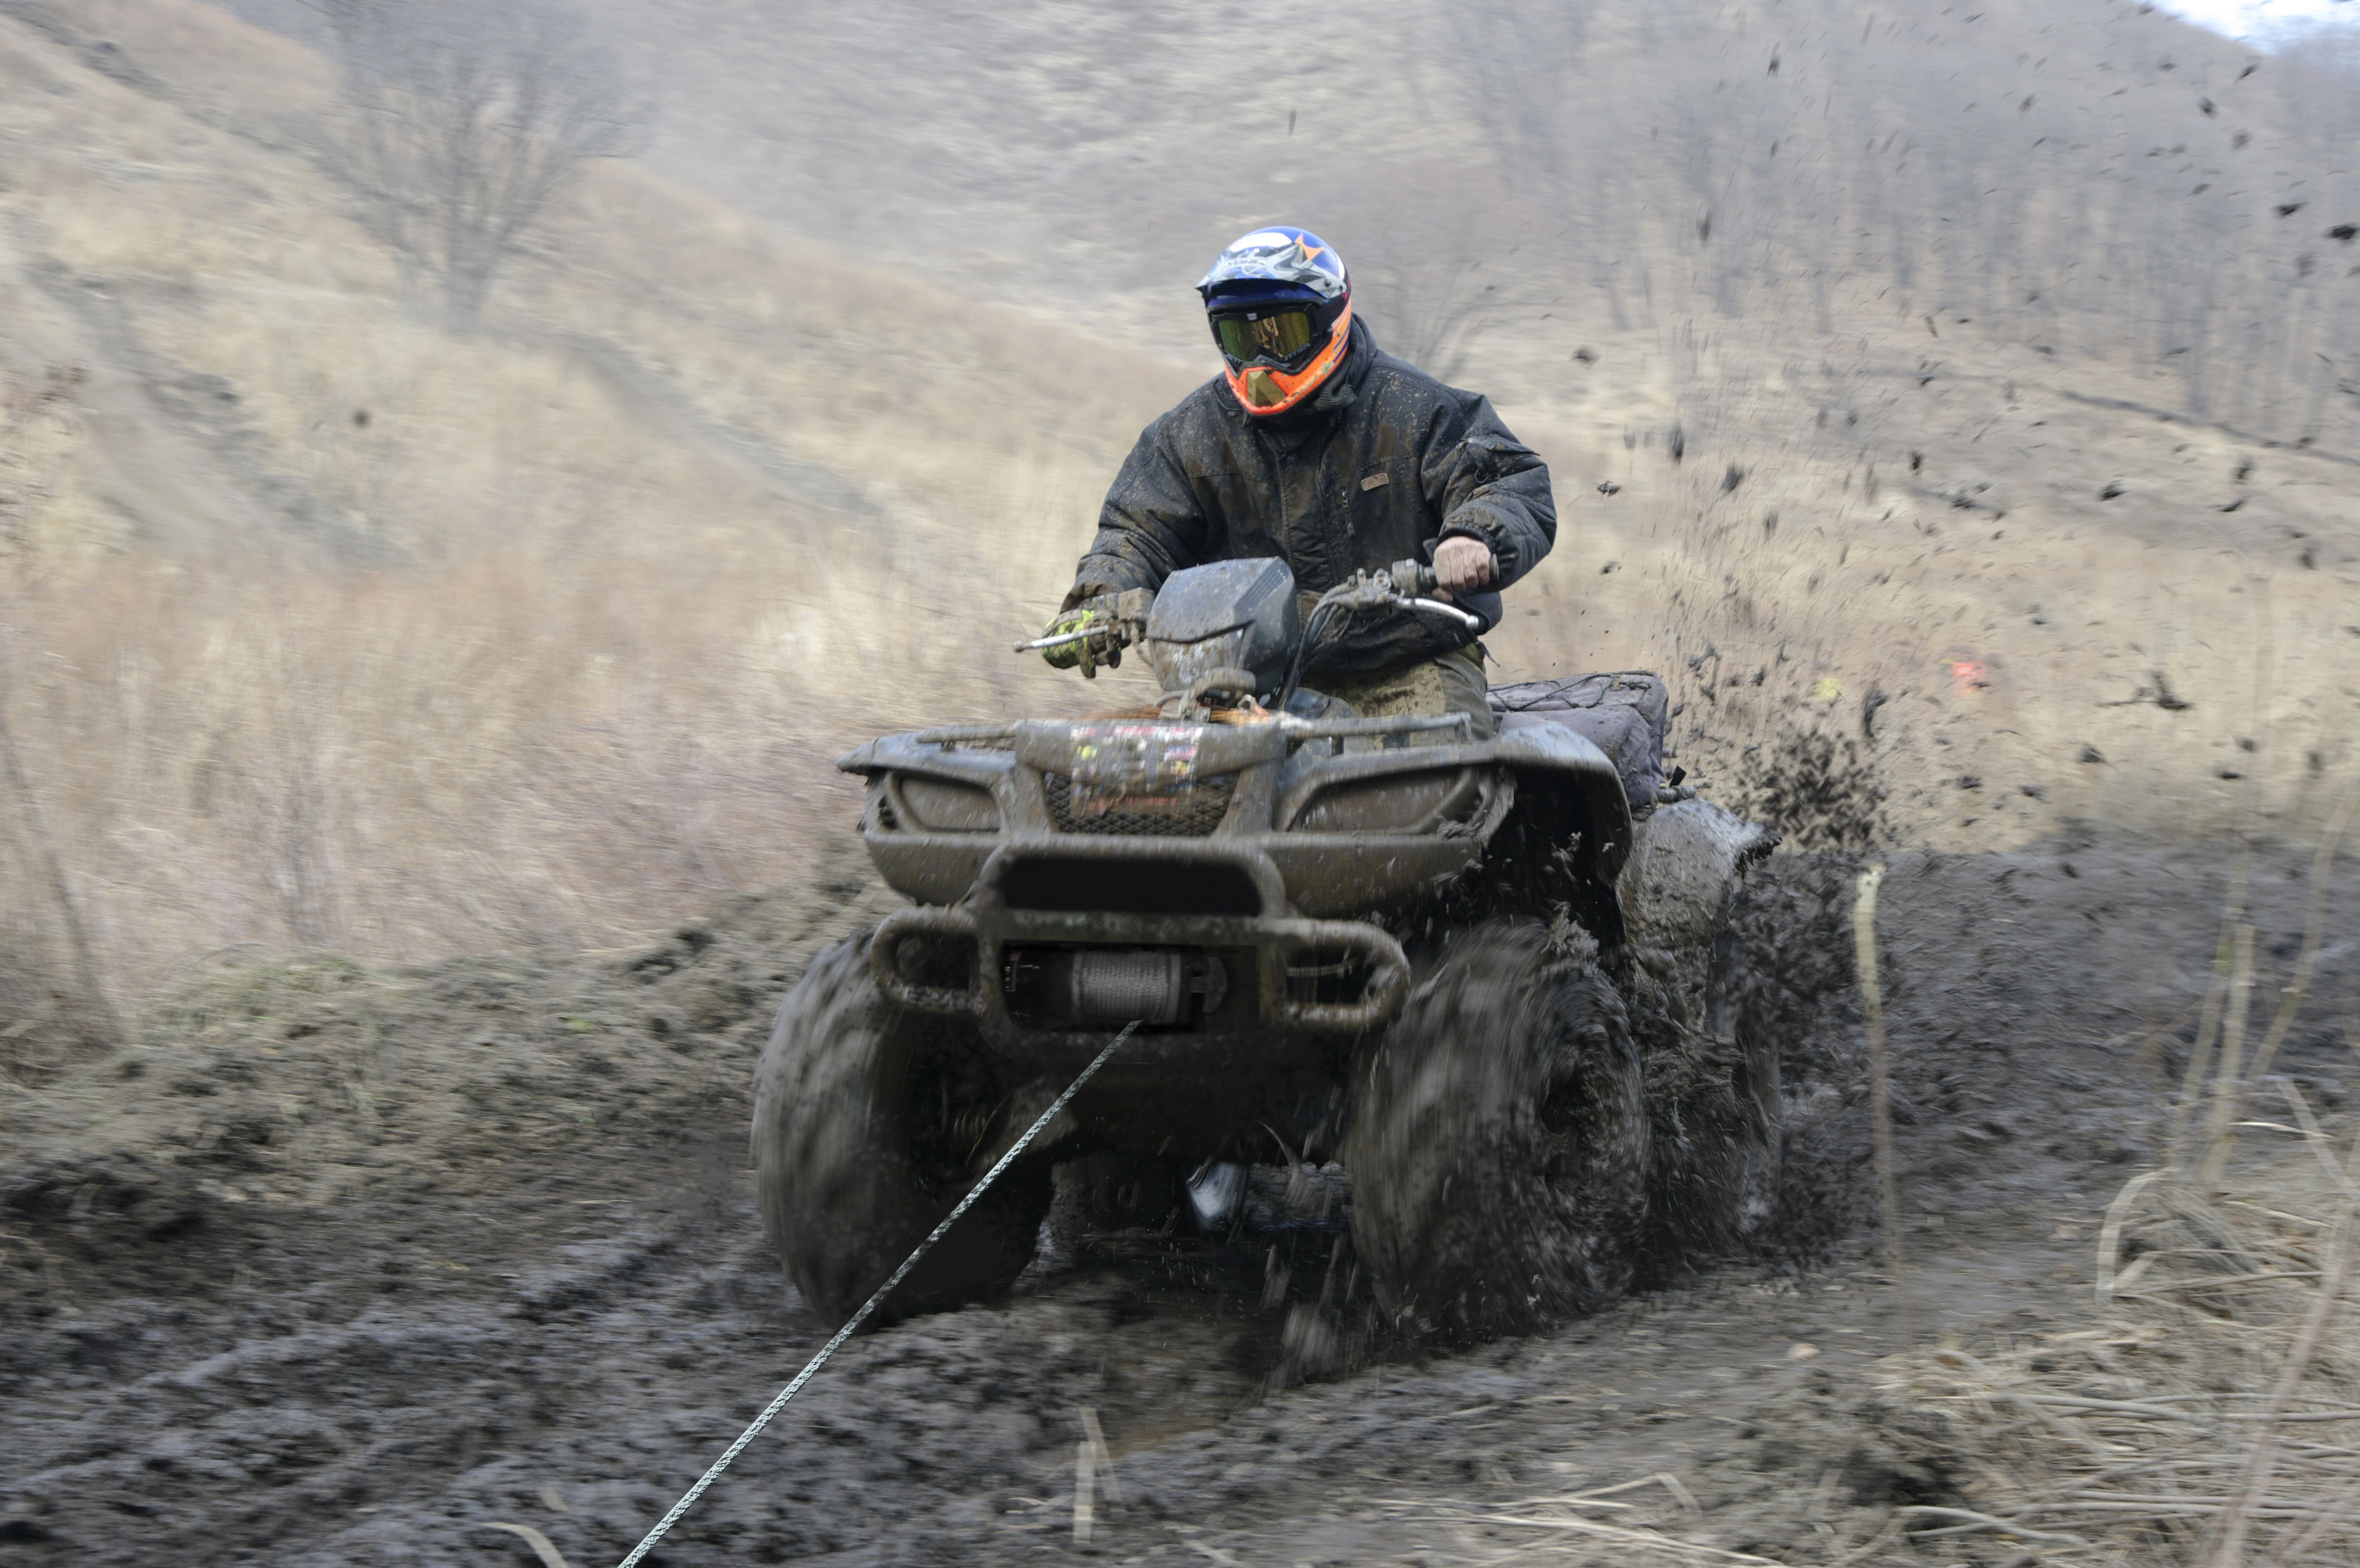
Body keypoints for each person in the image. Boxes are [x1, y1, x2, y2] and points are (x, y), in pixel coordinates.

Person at [1041, 225, 1555, 738]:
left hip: (1410, 659)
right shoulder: (1190, 435)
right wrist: (1099, 600)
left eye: (1278, 336)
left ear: (1328, 321)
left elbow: (1509, 479)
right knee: (1172, 792)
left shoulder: (1414, 407)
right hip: (1250, 676)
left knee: (1440, 787)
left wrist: (1474, 535)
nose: (1260, 364)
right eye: (1243, 339)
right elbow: (1137, 531)